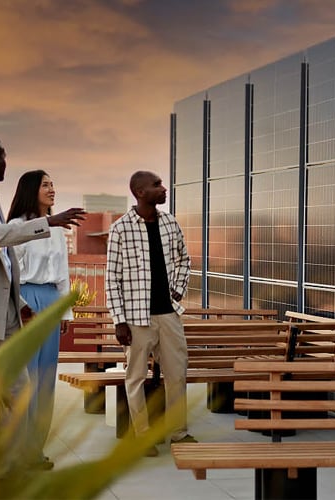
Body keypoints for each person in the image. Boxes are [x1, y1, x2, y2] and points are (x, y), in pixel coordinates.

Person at [0, 134, 85, 472]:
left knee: (20, 390)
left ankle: (8, 464)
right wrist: (48, 222)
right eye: (2, 156)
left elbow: (4, 260)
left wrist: (17, 300)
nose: (6, 162)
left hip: (6, 309)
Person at [105, 170, 195, 457]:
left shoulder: (170, 223)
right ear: (140, 192)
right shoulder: (121, 229)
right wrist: (119, 320)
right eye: (157, 185)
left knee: (177, 374)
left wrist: (178, 288)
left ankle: (179, 433)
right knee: (135, 378)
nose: (163, 188)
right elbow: (111, 279)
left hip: (168, 314)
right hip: (135, 317)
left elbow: (184, 258)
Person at [6, 169, 73, 469]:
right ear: (31, 189)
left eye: (53, 183)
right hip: (25, 303)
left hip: (50, 302)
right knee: (25, 380)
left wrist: (65, 310)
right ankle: (16, 452)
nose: (52, 189)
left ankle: (36, 451)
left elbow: (63, 274)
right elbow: (8, 273)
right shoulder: (16, 227)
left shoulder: (57, 229)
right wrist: (21, 305)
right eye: (45, 184)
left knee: (46, 378)